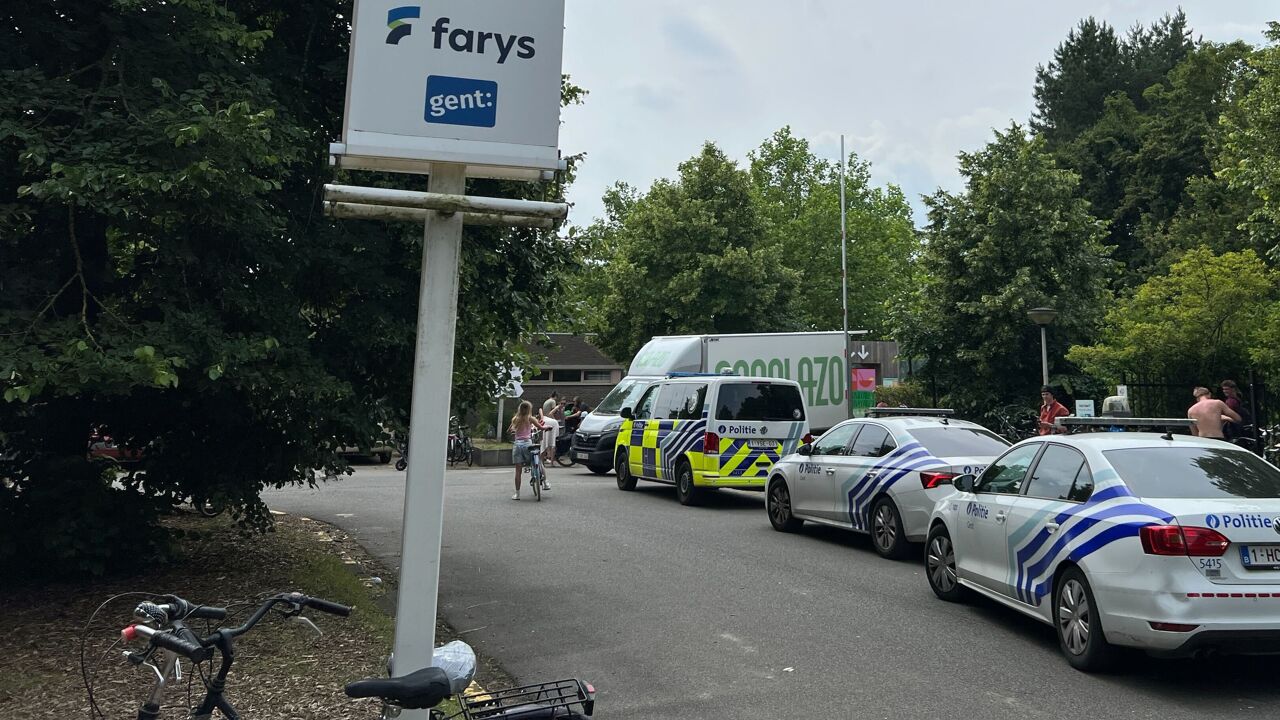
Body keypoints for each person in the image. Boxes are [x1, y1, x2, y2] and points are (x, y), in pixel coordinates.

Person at [509, 401, 545, 500]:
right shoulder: (530, 418)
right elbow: (541, 427)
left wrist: (512, 430)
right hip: (527, 444)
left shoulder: (515, 419)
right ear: (529, 409)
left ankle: (517, 494)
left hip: (517, 445)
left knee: (518, 471)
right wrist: (546, 427)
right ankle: (544, 481)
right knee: (537, 461)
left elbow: (511, 430)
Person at [537, 408, 558, 492]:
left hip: (548, 424)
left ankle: (543, 460)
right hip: (551, 424)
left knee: (544, 444)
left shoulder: (521, 418)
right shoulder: (535, 418)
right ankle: (545, 481)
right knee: (551, 443)